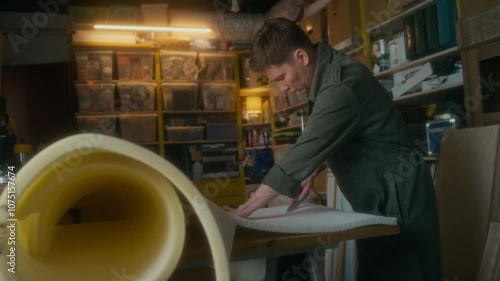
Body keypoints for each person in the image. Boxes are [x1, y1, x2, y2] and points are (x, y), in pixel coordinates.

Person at [229, 17, 441, 281]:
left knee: (405, 271)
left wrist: (246, 211)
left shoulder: (338, 85)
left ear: (301, 56)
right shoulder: (325, 75)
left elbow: (308, 146)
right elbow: (342, 135)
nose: (282, 87)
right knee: (378, 270)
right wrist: (311, 171)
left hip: (397, 190)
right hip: (378, 191)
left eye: (281, 77)